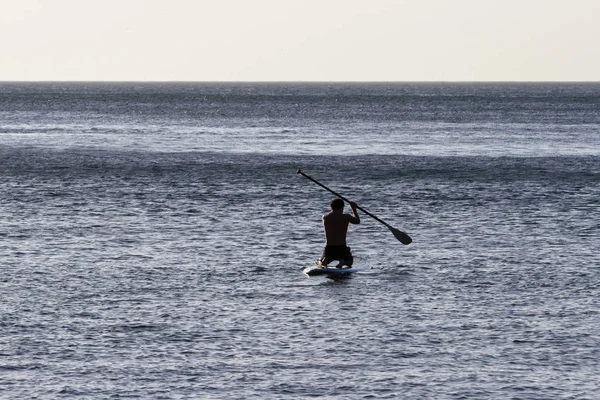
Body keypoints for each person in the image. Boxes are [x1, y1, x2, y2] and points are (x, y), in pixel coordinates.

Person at [320, 198, 360, 268]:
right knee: (350, 262)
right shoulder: (346, 217)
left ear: (331, 207)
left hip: (329, 248)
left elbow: (333, 216)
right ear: (342, 207)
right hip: (341, 247)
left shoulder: (325, 217)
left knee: (321, 261)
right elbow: (357, 221)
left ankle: (325, 260)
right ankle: (343, 261)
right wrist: (354, 208)